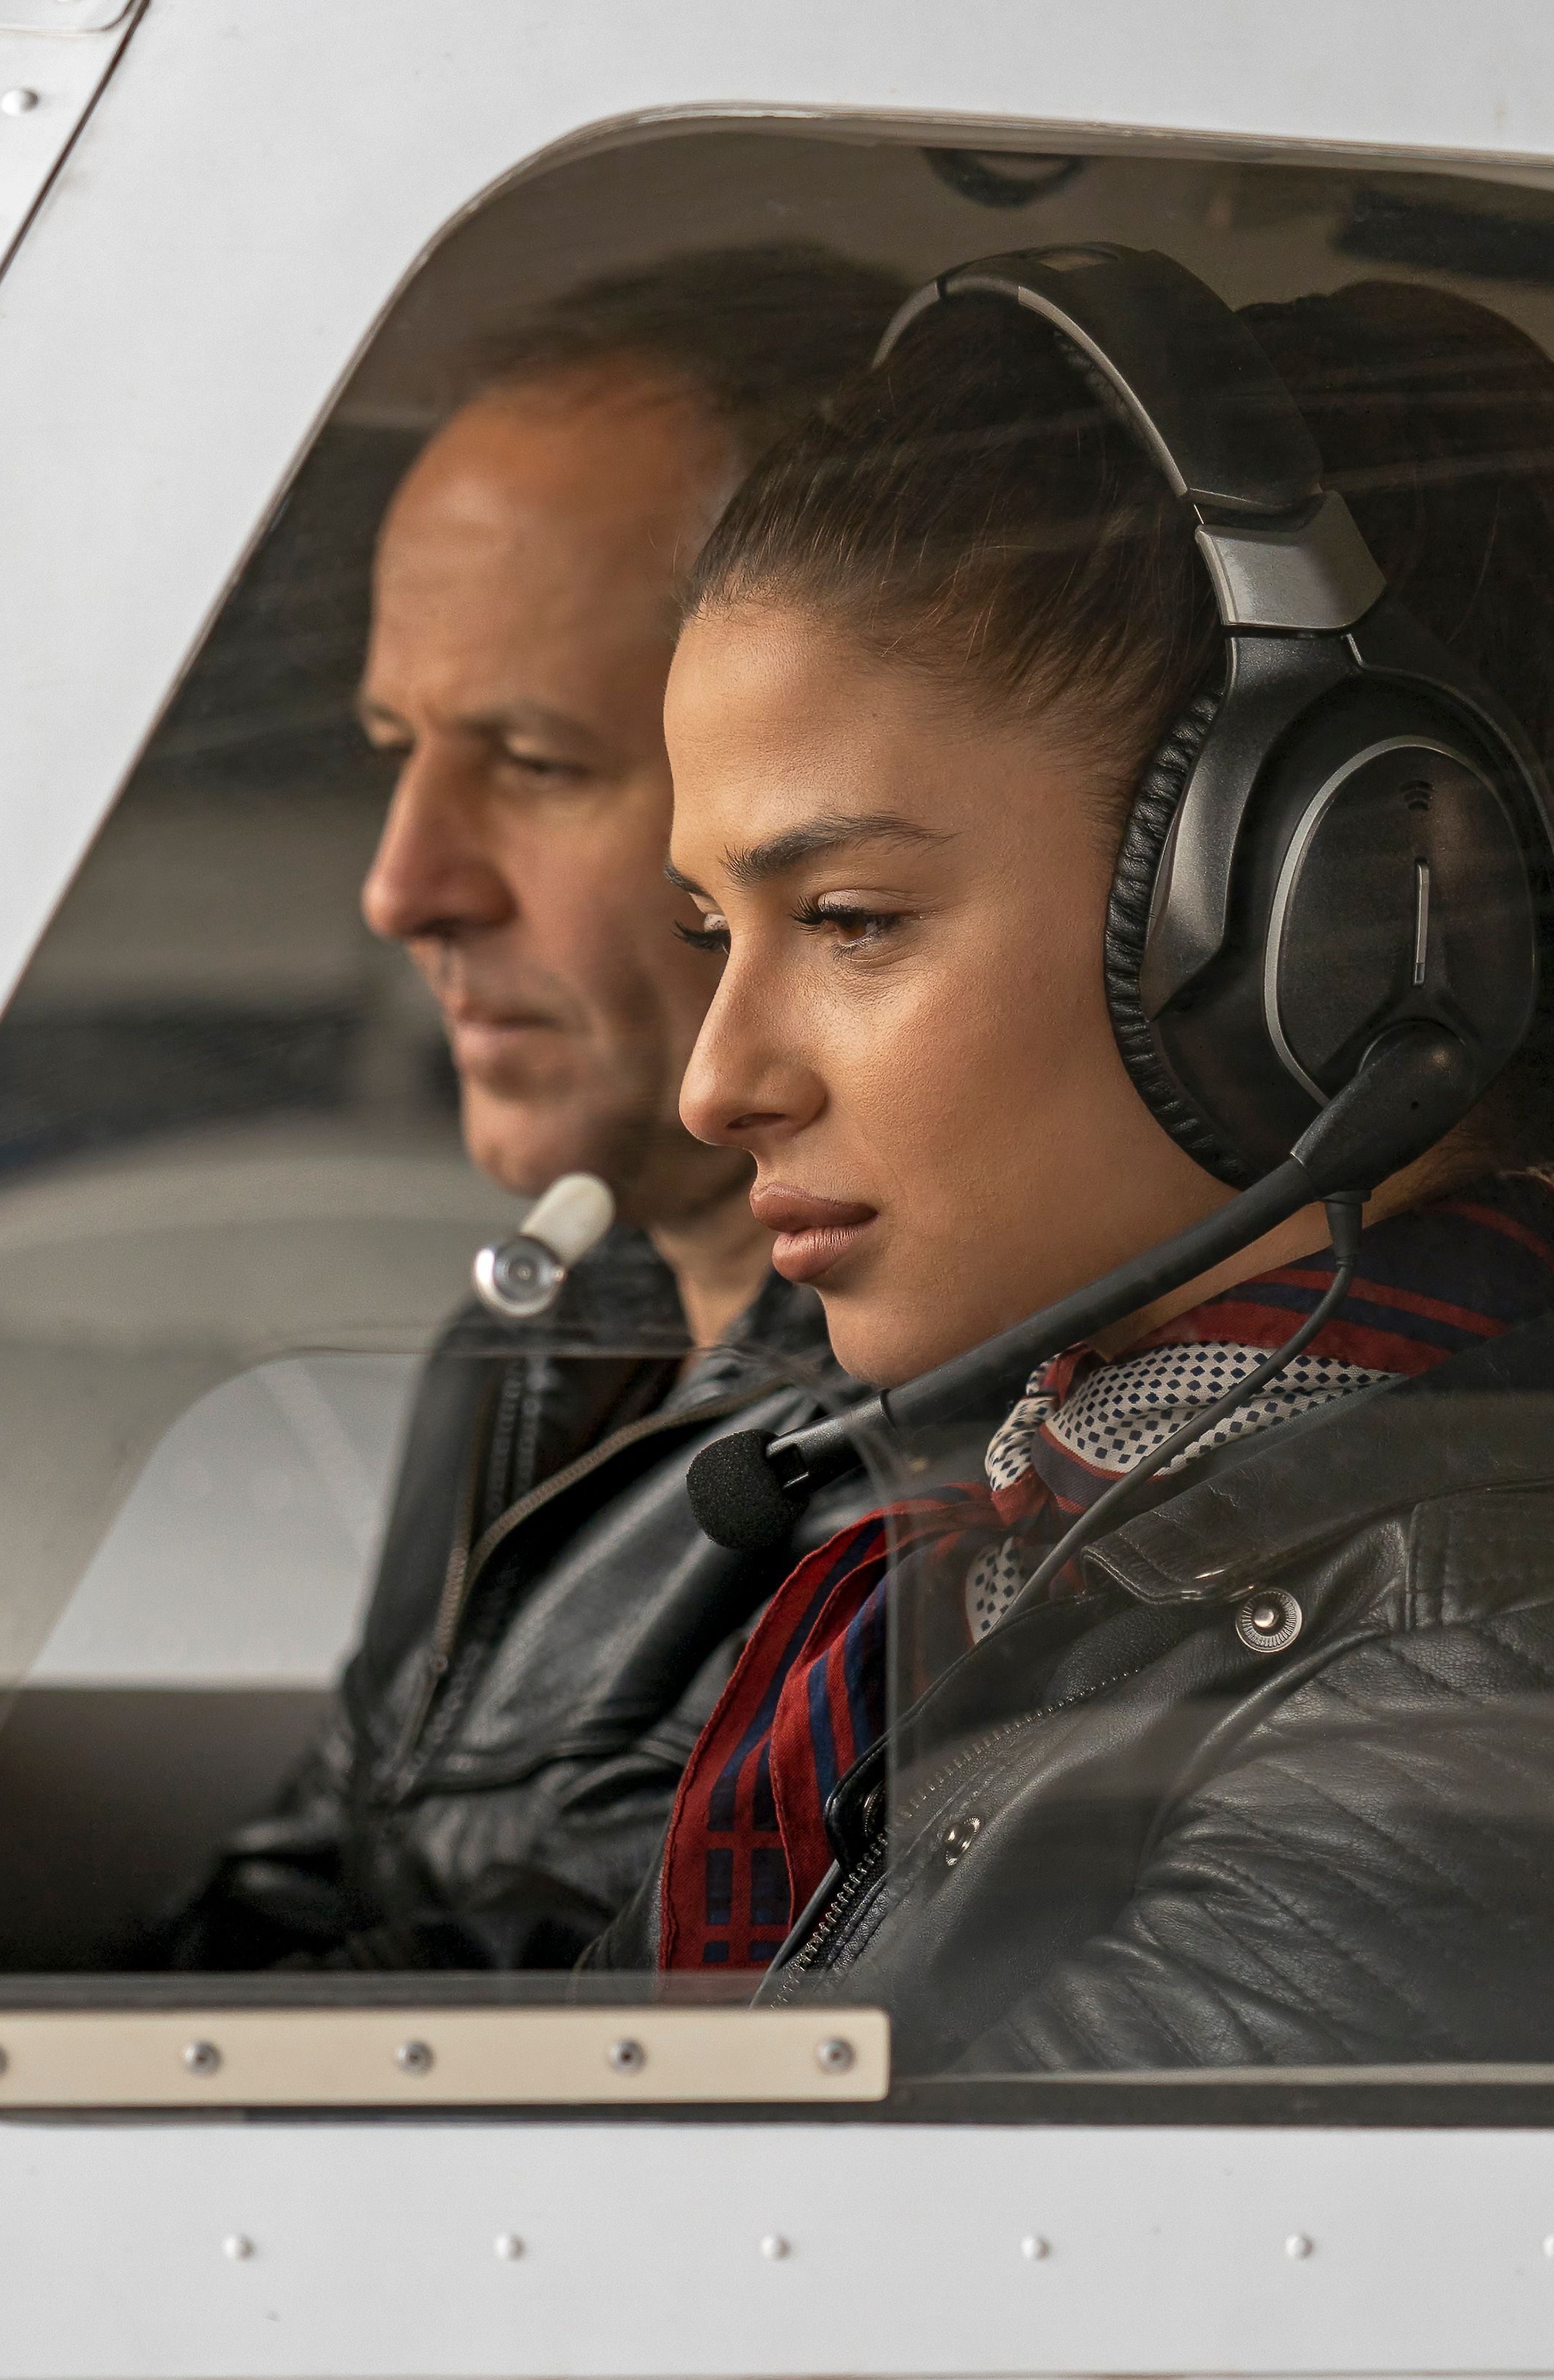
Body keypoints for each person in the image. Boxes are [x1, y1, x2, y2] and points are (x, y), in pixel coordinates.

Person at [601, 260, 1554, 2067]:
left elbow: (876, 2308)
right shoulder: (1101, 1525)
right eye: (706, 933)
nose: (714, 1083)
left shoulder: (1504, 1684)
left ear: (1324, 926)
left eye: (847, 918)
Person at [164, 246, 910, 1971]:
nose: (402, 887)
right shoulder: (550, 1337)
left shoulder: (937, 1458)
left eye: (536, 763)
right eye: (392, 750)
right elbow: (307, 1894)